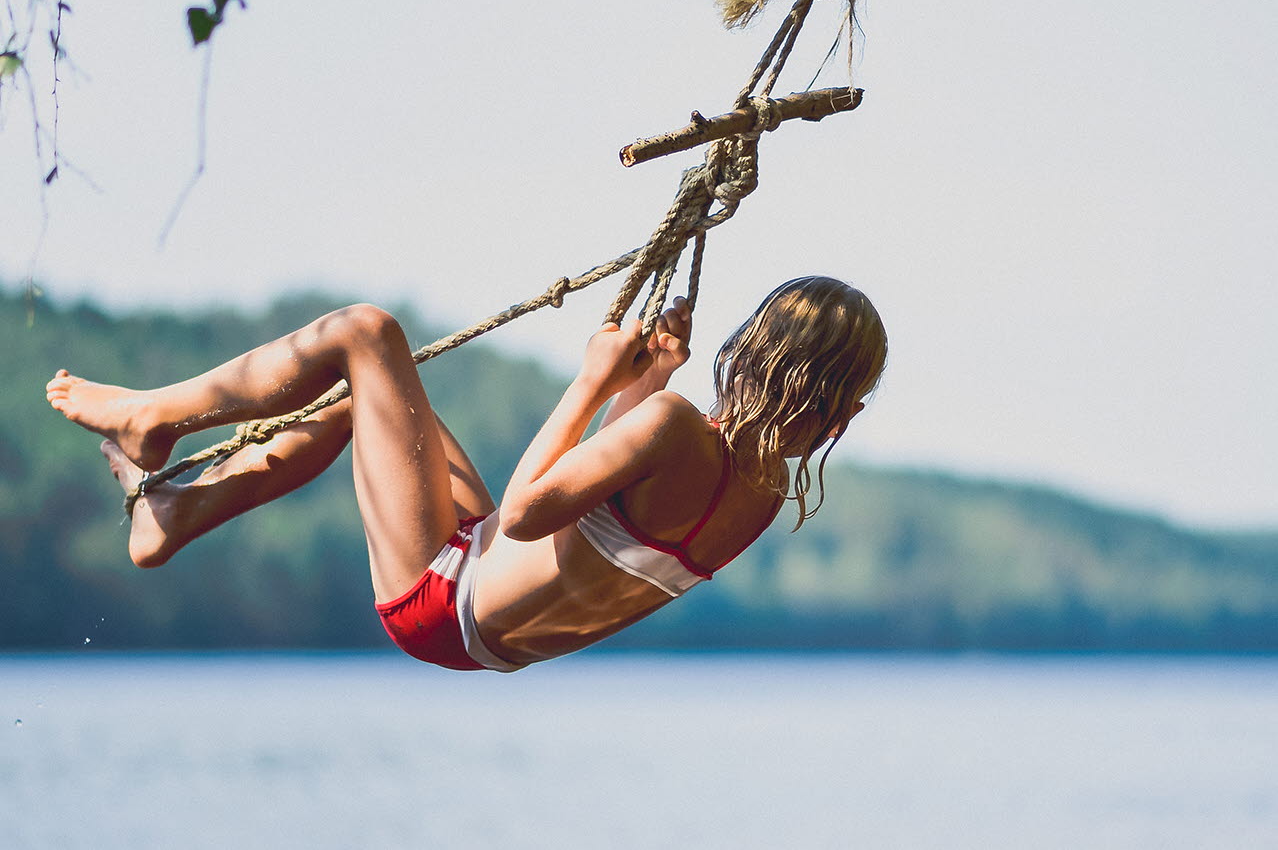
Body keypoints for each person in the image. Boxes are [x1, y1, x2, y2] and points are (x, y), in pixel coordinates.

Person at [46, 276, 887, 671]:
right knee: (363, 399)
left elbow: (527, 515)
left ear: (752, 356)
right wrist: (648, 380)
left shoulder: (678, 430)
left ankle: (153, 415)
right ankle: (174, 517)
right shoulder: (761, 492)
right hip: (482, 634)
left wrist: (598, 378)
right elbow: (612, 501)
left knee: (368, 335)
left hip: (443, 597)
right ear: (838, 411)